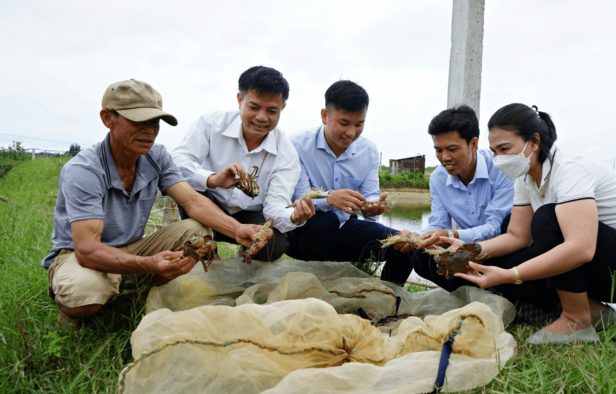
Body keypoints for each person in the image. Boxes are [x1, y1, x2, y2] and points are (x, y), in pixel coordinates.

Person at [43, 79, 272, 330]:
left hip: (131, 247)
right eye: (138, 121)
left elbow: (193, 201)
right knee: (86, 291)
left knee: (198, 232)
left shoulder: (156, 156)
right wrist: (149, 264)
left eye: (154, 122)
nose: (150, 131)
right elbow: (87, 249)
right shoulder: (84, 170)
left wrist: (237, 230)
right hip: (80, 257)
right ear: (107, 118)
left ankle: (136, 295)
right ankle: (72, 308)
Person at [440, 104, 616, 344]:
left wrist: (510, 275)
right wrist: (472, 249)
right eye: (494, 151)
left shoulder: (570, 170)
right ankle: (596, 313)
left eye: (505, 148)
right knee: (497, 258)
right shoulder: (525, 177)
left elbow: (581, 247)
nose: (498, 158)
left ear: (534, 141)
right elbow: (517, 236)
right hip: (599, 262)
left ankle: (576, 319)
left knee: (547, 219)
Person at [172, 66, 315, 262]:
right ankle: (209, 256)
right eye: (254, 107)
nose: (262, 117)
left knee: (274, 244)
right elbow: (177, 164)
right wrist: (213, 180)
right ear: (240, 100)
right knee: (188, 188)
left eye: (272, 110)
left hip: (249, 216)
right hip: (207, 206)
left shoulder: (287, 153)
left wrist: (293, 218)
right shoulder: (211, 124)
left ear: (282, 108)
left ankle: (243, 258)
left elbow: (275, 206)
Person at [286, 80, 413, 285]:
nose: (351, 133)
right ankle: (317, 292)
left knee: (404, 244)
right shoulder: (297, 144)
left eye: (359, 124)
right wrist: (329, 198)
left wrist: (372, 206)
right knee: (325, 223)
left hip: (344, 226)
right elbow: (299, 196)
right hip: (305, 230)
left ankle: (383, 303)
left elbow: (371, 193)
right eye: (344, 123)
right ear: (324, 116)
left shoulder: (368, 151)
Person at [391, 106, 514, 291]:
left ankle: (501, 293)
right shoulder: (438, 178)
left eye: (452, 149)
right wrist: (418, 237)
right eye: (438, 150)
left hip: (500, 250)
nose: (444, 157)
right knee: (416, 253)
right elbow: (438, 223)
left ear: (473, 144)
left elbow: (496, 228)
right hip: (465, 253)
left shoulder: (501, 169)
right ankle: (387, 299)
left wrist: (452, 235)